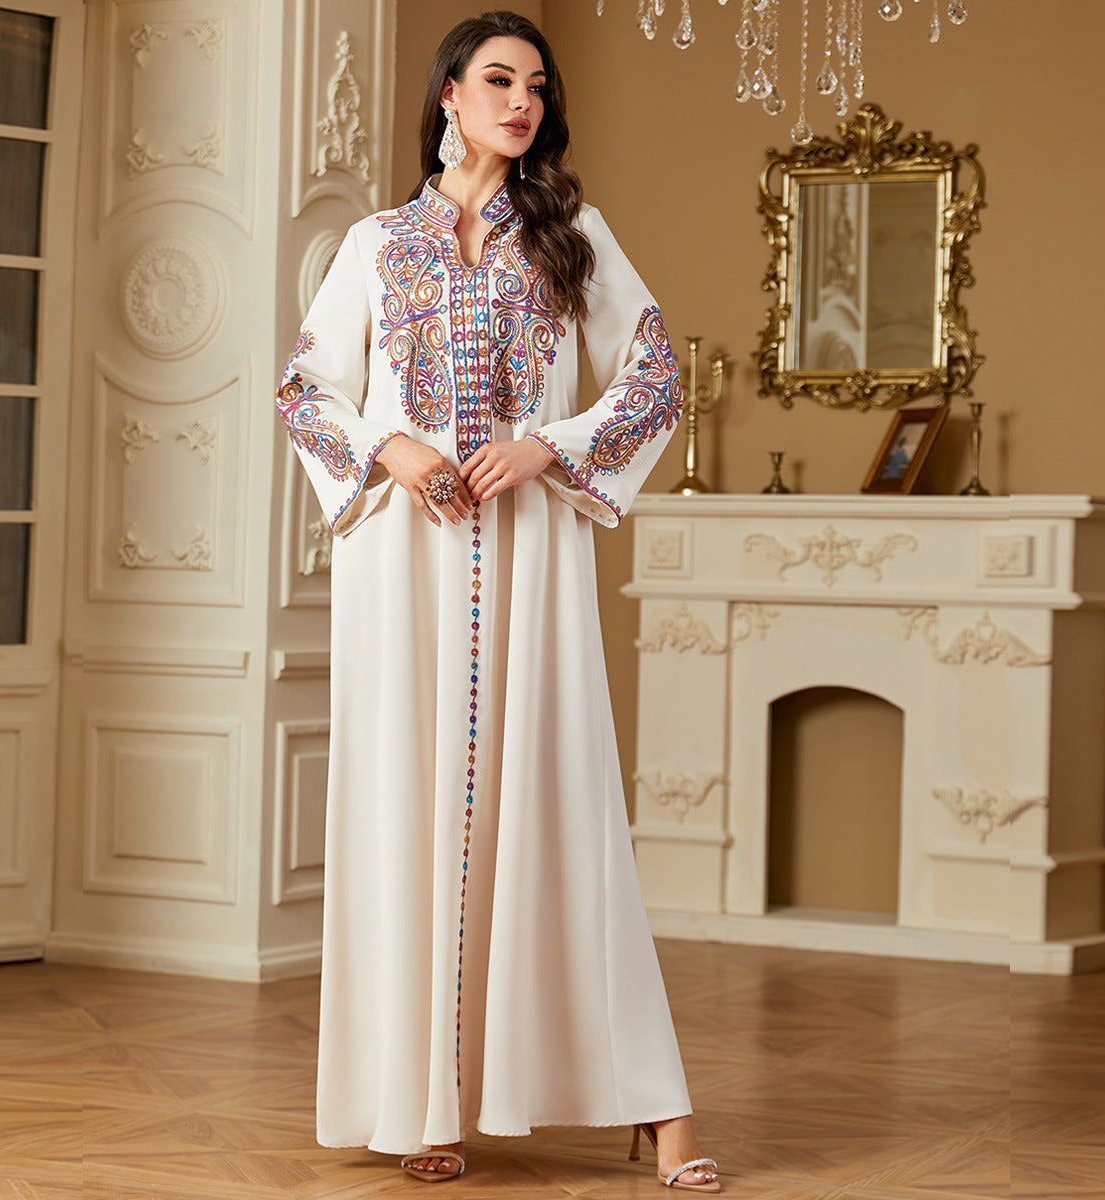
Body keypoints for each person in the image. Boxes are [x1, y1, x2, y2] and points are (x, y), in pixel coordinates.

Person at [275, 11, 720, 1193]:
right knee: (410, 814)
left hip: (531, 550)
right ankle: (427, 1102)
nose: (523, 101)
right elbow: (304, 390)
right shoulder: (377, 244)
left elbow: (655, 374)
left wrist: (548, 446)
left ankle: (655, 1105)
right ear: (450, 95)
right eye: (499, 80)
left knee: (562, 805)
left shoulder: (573, 236)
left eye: (537, 85)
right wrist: (393, 447)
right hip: (405, 561)